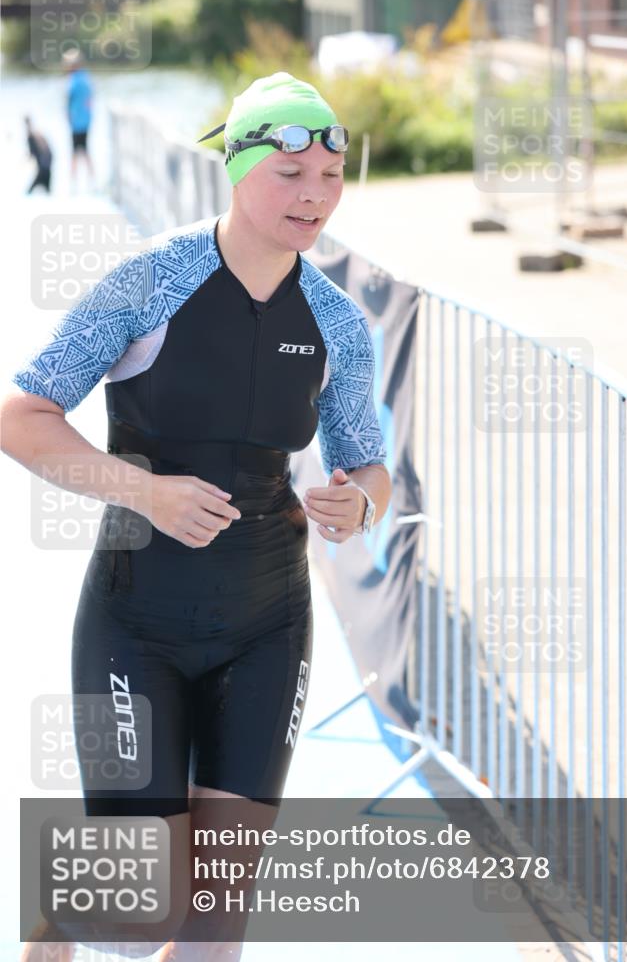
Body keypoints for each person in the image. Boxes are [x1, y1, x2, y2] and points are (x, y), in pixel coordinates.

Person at [2, 71, 391, 961]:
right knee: (135, 916)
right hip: (136, 620)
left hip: (269, 622)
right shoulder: (147, 280)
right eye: (290, 175)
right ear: (237, 165)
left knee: (217, 923)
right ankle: (63, 919)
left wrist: (358, 499)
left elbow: (367, 464)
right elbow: (21, 416)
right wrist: (143, 491)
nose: (314, 198)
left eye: (329, 179)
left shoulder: (337, 321)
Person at [63, 47, 95, 192]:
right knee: (85, 149)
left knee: (75, 152)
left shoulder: (74, 80)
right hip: (86, 120)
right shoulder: (86, 77)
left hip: (76, 122)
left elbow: (68, 100)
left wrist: (68, 116)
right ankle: (92, 181)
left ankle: (73, 184)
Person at [24, 115, 52, 194]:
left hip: (44, 164)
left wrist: (45, 159)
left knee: (42, 182)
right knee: (44, 185)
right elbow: (32, 151)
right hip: (42, 164)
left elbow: (44, 147)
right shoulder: (30, 134)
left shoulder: (35, 134)